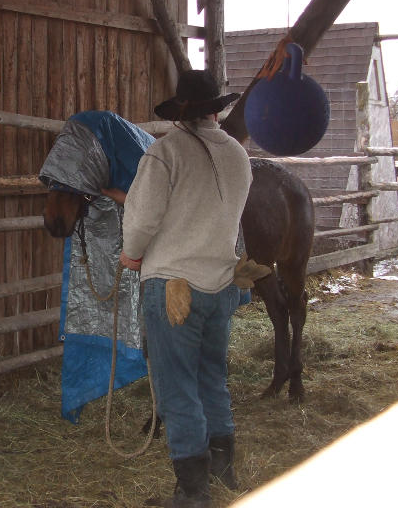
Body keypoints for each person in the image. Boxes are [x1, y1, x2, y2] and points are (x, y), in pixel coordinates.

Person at [118, 70, 252, 508]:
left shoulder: (165, 151)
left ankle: (193, 493)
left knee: (176, 387)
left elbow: (141, 219)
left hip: (174, 287)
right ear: (216, 109)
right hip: (222, 284)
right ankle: (223, 466)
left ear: (181, 113)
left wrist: (130, 254)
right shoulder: (238, 155)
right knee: (211, 374)